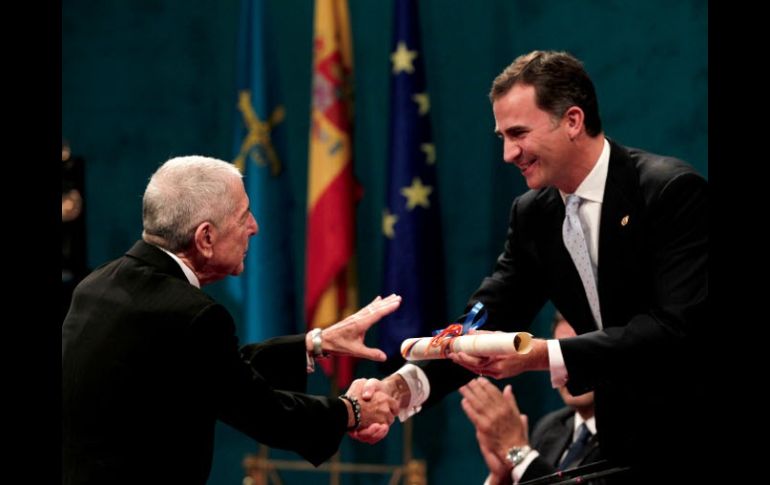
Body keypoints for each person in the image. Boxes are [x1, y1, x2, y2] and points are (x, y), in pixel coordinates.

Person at [353, 50, 708, 480]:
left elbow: (676, 330)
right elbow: (485, 316)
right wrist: (401, 386)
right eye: (502, 136)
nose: (508, 153)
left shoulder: (670, 191)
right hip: (623, 446)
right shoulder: (534, 214)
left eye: (518, 133)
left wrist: (543, 356)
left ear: (573, 121)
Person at [62, 155, 401, 485]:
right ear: (205, 238)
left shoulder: (97, 286)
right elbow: (263, 412)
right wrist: (352, 411)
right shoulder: (190, 313)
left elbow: (212, 374)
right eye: (243, 217)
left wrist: (315, 344)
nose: (254, 227)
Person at [461, 314, 604, 485]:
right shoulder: (550, 427)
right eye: (562, 356)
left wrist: (518, 453)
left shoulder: (632, 434)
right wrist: (503, 478)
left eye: (577, 354)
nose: (569, 367)